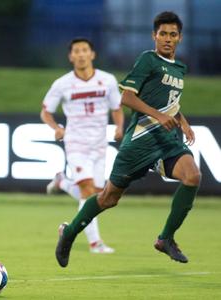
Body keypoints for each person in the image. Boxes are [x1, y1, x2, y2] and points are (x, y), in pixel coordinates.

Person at [55, 11, 201, 268]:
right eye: (163, 34)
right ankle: (70, 233)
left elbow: (170, 103)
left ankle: (165, 238)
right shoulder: (148, 60)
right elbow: (128, 98)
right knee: (108, 198)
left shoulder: (180, 68)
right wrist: (158, 115)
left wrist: (183, 122)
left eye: (173, 35)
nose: (168, 39)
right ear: (154, 35)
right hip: (140, 142)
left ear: (179, 38)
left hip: (166, 142)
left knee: (192, 176)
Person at [42, 37, 124, 254]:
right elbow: (46, 111)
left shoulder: (107, 80)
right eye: (76, 51)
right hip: (76, 143)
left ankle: (63, 183)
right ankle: (94, 243)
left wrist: (118, 127)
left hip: (99, 144)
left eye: (84, 50)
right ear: (70, 56)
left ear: (92, 54)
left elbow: (117, 107)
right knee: (89, 192)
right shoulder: (62, 83)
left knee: (98, 196)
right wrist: (56, 128)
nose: (80, 54)